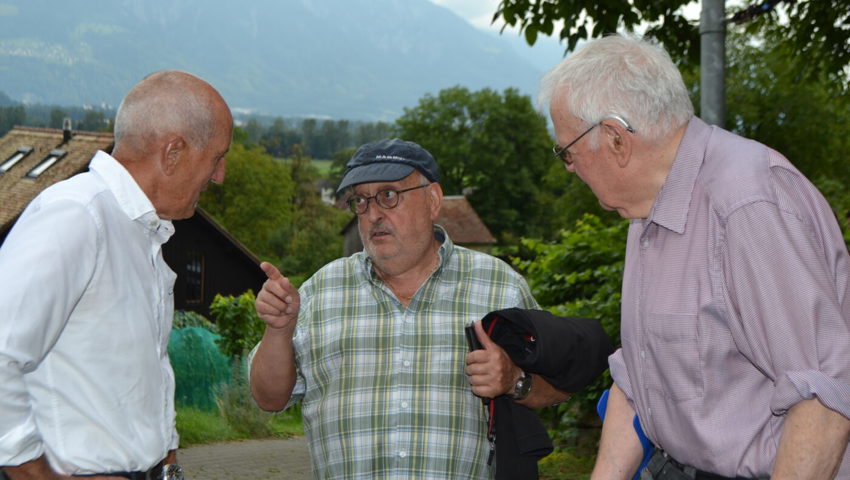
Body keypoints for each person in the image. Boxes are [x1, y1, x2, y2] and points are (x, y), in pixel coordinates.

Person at [539, 34, 850, 479]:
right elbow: (639, 375)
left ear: (614, 140)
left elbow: (823, 395)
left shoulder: (747, 206)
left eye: (568, 153)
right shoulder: (647, 208)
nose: (569, 168)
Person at [250, 138, 578, 479]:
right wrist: (278, 330)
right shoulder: (321, 290)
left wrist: (514, 380)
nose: (373, 213)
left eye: (389, 195)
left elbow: (558, 386)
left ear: (432, 199)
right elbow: (269, 399)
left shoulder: (498, 285)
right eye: (360, 201)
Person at [0, 70, 232, 479]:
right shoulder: (78, 214)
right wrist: (34, 474)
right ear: (173, 152)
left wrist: (165, 457)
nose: (220, 176)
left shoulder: (137, 230)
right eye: (216, 157)